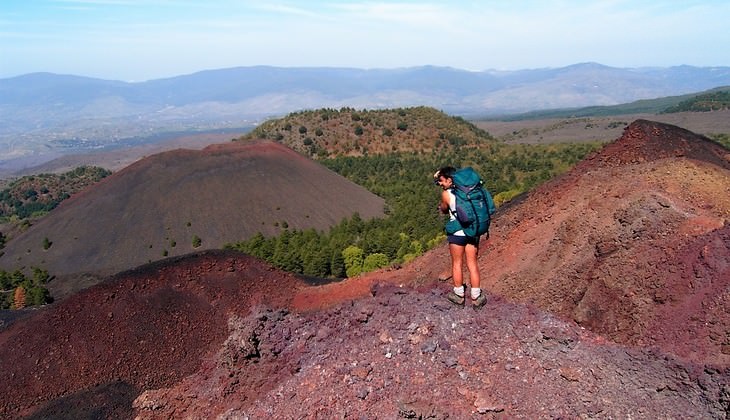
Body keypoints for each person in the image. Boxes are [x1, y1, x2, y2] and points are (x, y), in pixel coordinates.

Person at [434, 166, 487, 308]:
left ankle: (458, 295)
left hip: (457, 233)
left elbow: (444, 209)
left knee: (457, 263)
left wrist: (443, 203)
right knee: (472, 264)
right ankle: (476, 297)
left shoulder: (447, 194)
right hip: (473, 230)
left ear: (450, 180)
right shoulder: (470, 190)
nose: (440, 183)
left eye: (441, 181)